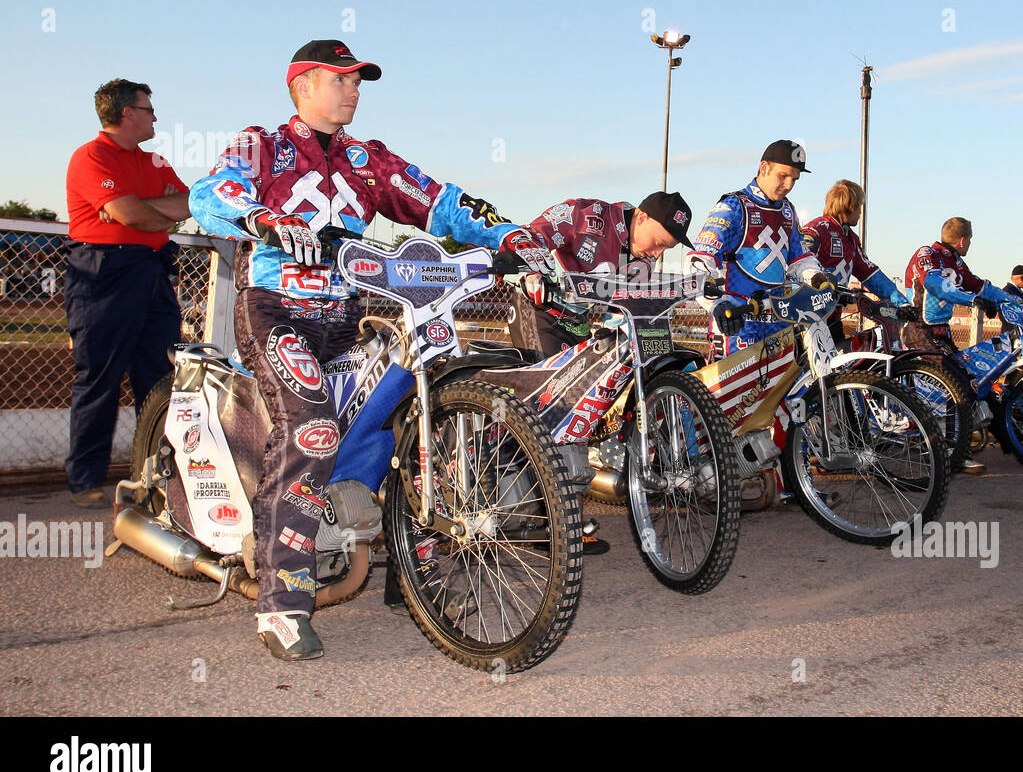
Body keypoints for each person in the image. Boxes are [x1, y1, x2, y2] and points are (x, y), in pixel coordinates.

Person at [188, 40, 550, 661]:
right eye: (341, 79)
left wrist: (508, 233)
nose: (354, 91)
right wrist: (266, 219)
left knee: (401, 416)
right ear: (303, 85)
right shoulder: (261, 145)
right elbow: (210, 192)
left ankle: (413, 576)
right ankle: (281, 604)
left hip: (345, 316)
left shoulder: (368, 159)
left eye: (358, 81)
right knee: (312, 431)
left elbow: (441, 202)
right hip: (276, 310)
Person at [64, 79, 191, 509]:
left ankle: (151, 478)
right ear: (127, 113)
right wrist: (146, 211)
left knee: (159, 379)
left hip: (152, 271)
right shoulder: (91, 156)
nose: (155, 117)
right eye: (149, 109)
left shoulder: (153, 159)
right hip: (103, 273)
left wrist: (139, 209)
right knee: (99, 379)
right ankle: (85, 480)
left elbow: (185, 204)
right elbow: (132, 215)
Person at [510, 192, 693, 358]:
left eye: (666, 249)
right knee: (549, 381)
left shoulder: (645, 260)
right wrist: (532, 272)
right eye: (659, 243)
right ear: (642, 218)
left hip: (579, 322)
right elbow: (531, 235)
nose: (658, 254)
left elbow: (622, 311)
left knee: (592, 379)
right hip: (538, 308)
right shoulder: (586, 214)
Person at [686, 140, 824, 355]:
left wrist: (817, 278)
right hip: (736, 323)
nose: (789, 185)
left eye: (794, 179)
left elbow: (801, 259)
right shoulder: (733, 206)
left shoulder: (788, 211)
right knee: (732, 379)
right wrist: (715, 303)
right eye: (783, 176)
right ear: (764, 168)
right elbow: (700, 259)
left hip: (778, 323)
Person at [799, 179, 909, 343]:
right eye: (859, 207)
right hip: (807, 318)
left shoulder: (851, 238)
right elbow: (799, 265)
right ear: (849, 206)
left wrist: (902, 303)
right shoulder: (816, 230)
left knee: (842, 358)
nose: (860, 212)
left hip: (834, 318)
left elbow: (870, 273)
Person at [902, 217, 1017, 356]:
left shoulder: (956, 262)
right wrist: (973, 300)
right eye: (970, 239)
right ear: (963, 241)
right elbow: (935, 284)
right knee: (950, 370)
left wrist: (1022, 304)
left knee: (968, 368)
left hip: (943, 332)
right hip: (919, 331)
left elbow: (982, 287)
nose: (970, 243)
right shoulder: (927, 253)